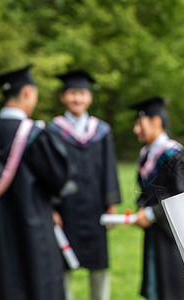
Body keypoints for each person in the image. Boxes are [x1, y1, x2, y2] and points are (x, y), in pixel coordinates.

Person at [0, 65, 70, 300]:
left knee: (6, 285)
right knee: (40, 286)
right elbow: (59, 179)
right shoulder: (34, 135)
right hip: (33, 232)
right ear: (27, 93)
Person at [48, 70, 122, 300]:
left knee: (98, 263)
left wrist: (111, 203)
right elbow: (48, 172)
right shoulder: (53, 131)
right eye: (72, 93)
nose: (77, 99)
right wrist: (51, 208)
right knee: (62, 264)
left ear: (89, 97)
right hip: (64, 209)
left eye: (81, 94)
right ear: (63, 97)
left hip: (95, 207)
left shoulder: (101, 131)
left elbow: (109, 168)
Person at [129, 97, 184, 300]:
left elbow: (182, 197)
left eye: (139, 123)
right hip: (155, 232)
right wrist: (141, 208)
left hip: (173, 235)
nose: (135, 129)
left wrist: (150, 213)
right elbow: (144, 192)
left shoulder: (174, 155)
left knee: (173, 287)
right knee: (156, 285)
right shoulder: (147, 155)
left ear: (156, 121)